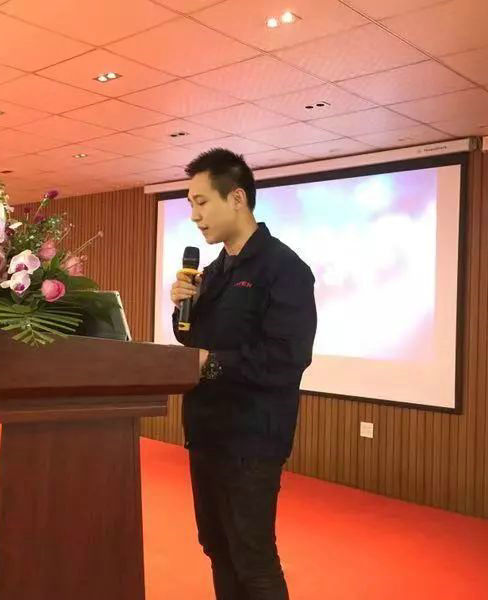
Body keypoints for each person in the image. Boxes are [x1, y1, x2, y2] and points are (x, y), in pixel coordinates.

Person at [171, 148, 317, 600]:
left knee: (252, 556)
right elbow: (192, 340)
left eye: (201, 202)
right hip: (207, 432)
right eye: (190, 204)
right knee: (217, 547)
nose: (194, 216)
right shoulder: (214, 271)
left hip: (252, 440)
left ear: (236, 198)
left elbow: (288, 357)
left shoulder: (284, 268)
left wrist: (211, 362)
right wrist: (182, 308)